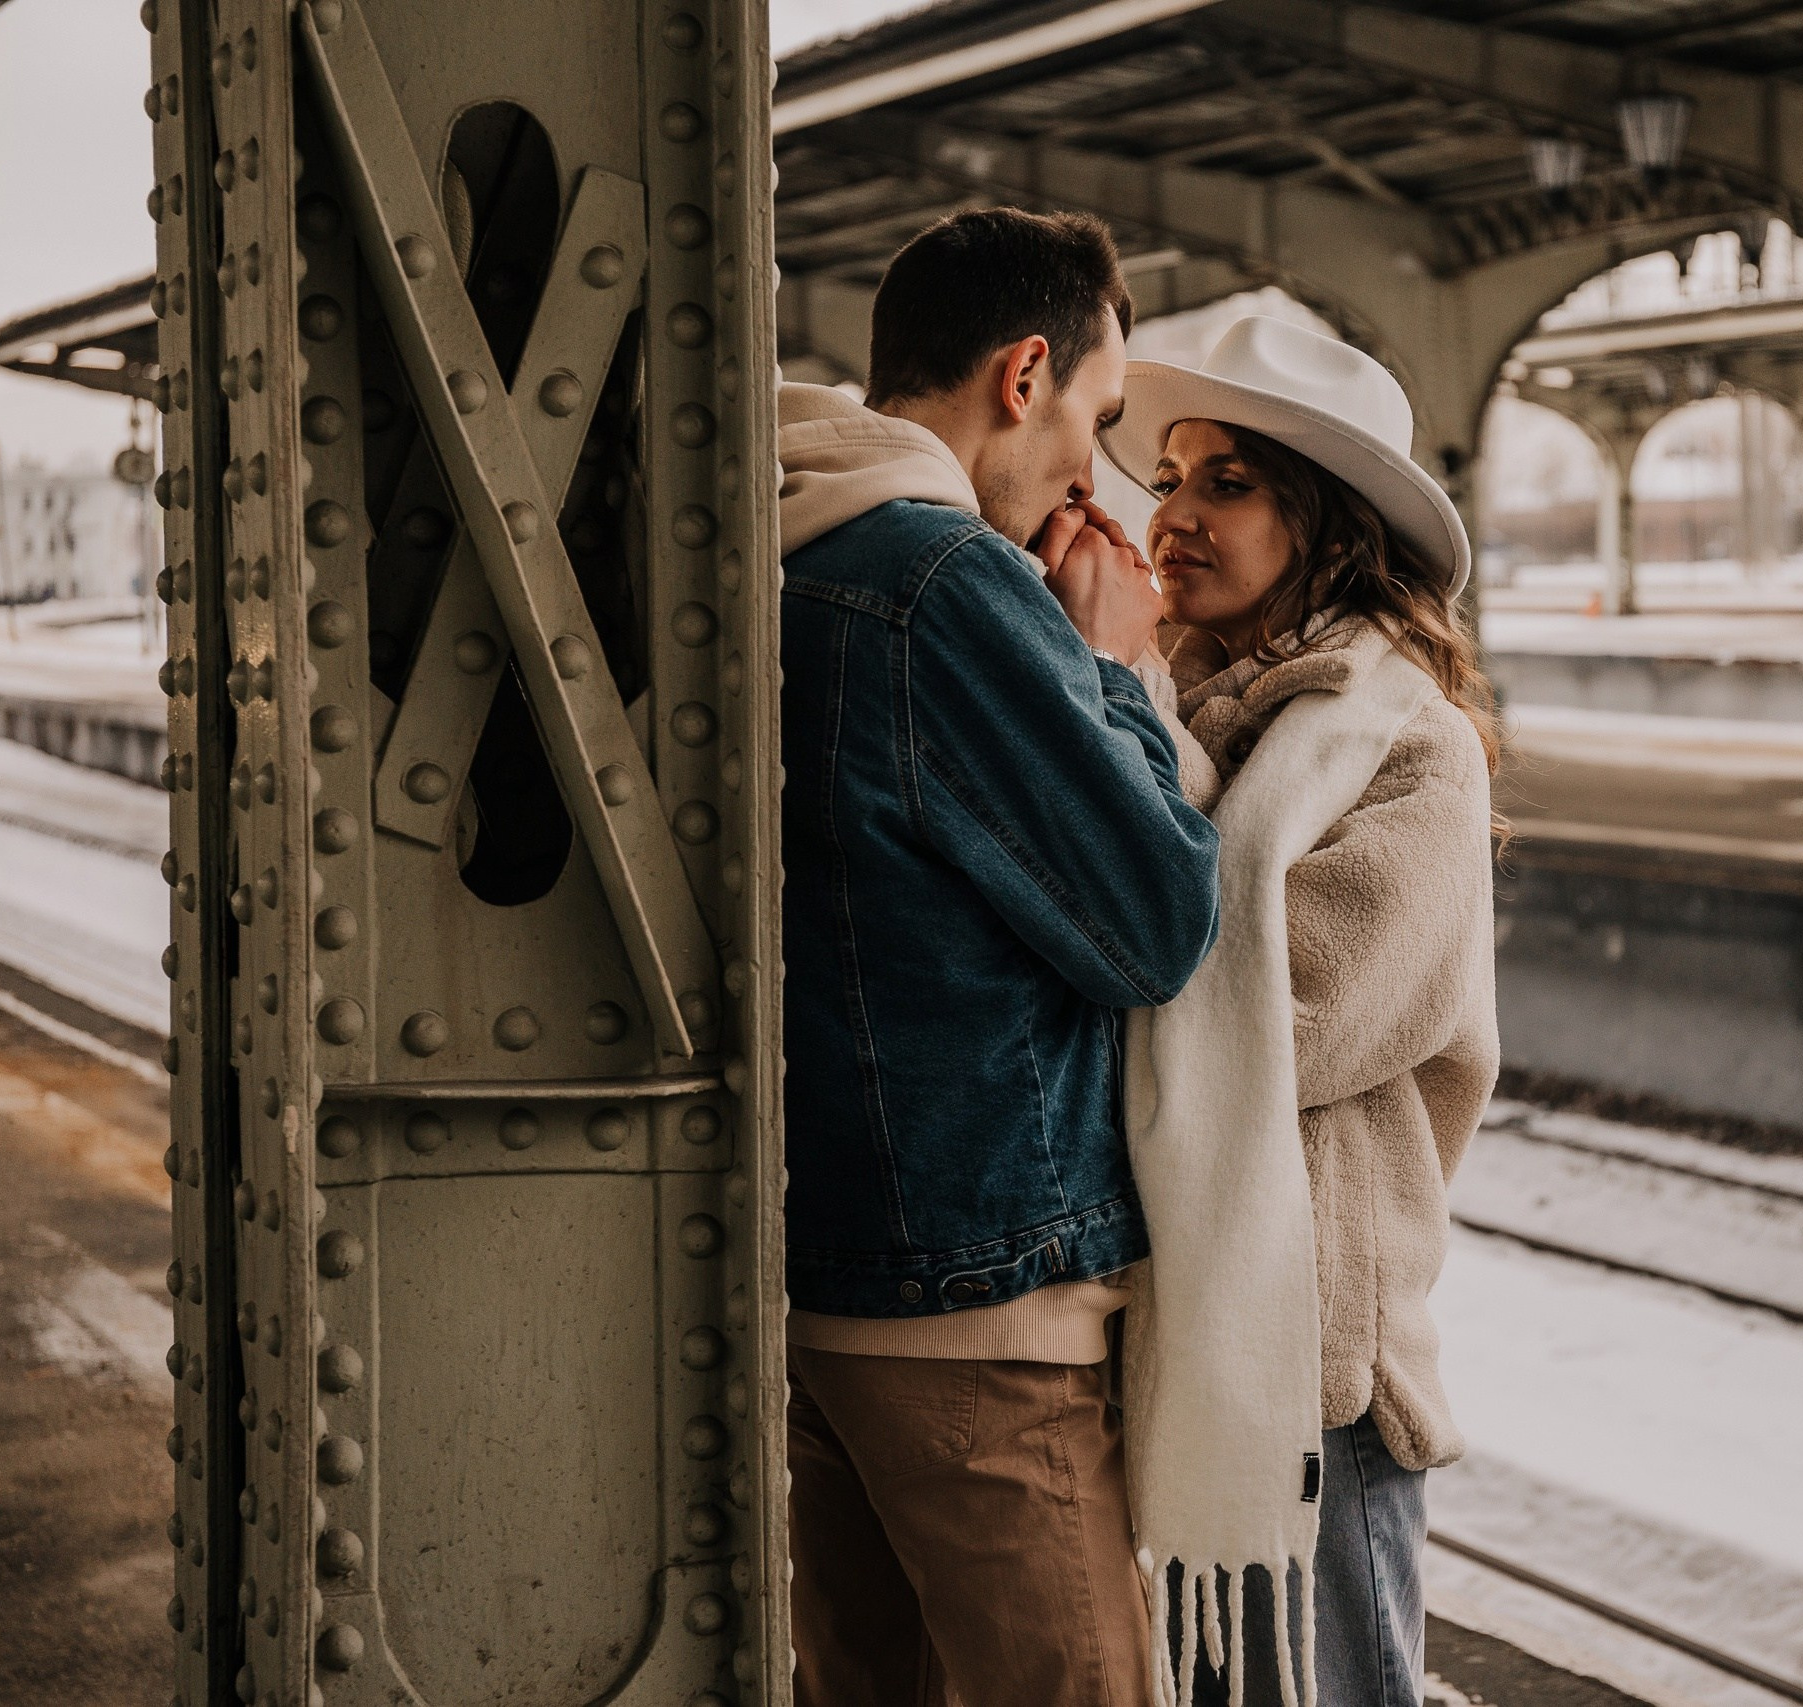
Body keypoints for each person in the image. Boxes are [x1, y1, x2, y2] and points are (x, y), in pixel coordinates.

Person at [772, 207, 1220, 1706]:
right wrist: (1112, 668)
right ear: (1023, 373)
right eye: (1097, 416)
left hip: (820, 1291)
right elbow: (1154, 921)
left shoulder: (778, 546)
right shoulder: (940, 582)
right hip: (978, 1309)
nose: (1093, 474)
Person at [1102, 316, 1501, 1706]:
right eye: (1166, 476)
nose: (1174, 516)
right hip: (1167, 1338)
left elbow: (1291, 1017)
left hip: (1315, 1370)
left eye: (1229, 483)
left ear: (1326, 524)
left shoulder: (1411, 751)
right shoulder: (1167, 712)